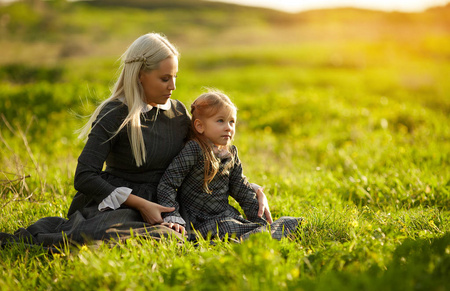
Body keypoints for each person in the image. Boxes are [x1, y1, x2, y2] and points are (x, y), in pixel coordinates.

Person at [0, 33, 271, 248]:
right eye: (165, 78)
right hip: (122, 204)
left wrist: (252, 187)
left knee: (186, 237)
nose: (173, 86)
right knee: (153, 238)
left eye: (175, 77)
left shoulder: (176, 113)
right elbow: (84, 176)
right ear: (140, 75)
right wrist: (141, 204)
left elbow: (202, 156)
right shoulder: (114, 114)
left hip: (168, 203)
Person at [157, 91, 301, 241]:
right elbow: (168, 183)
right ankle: (258, 238)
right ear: (200, 126)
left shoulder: (230, 153)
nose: (228, 127)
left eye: (232, 122)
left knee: (237, 225)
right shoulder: (194, 150)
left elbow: (241, 188)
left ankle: (261, 233)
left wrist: (260, 219)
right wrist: (172, 215)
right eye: (220, 121)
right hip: (198, 220)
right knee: (228, 228)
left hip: (223, 214)